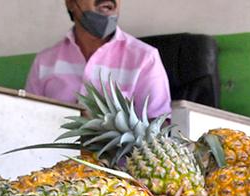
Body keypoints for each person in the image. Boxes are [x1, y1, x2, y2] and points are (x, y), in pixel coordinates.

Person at [25, 0, 172, 117]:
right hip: (54, 155)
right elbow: (28, 120)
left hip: (121, 155)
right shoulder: (44, 62)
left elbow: (158, 129)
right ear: (70, 2)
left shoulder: (145, 59)